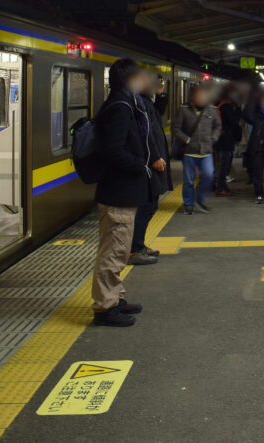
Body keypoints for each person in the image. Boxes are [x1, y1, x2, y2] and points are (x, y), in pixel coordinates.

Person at [91, 58, 151, 327]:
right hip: (118, 192)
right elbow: (113, 151)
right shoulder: (119, 108)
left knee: (118, 248)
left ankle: (115, 298)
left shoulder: (125, 103)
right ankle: (105, 307)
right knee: (113, 251)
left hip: (123, 191)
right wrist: (140, 165)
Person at [129, 72, 172, 266]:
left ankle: (138, 245)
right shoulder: (137, 102)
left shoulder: (144, 101)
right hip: (149, 162)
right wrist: (155, 157)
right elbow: (145, 132)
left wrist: (161, 95)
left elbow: (156, 116)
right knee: (147, 205)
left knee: (150, 204)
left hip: (151, 160)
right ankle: (134, 249)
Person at [171, 85, 221, 215]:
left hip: (206, 151)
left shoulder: (211, 110)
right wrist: (186, 140)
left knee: (209, 175)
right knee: (189, 180)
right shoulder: (183, 110)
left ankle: (200, 199)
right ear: (192, 97)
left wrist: (213, 138)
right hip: (189, 152)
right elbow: (175, 128)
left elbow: (217, 126)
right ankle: (188, 204)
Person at [213, 84, 243, 197]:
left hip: (218, 139)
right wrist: (238, 109)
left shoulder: (218, 104)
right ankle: (220, 188)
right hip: (225, 140)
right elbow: (234, 121)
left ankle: (221, 186)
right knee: (224, 165)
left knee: (220, 164)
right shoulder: (227, 106)